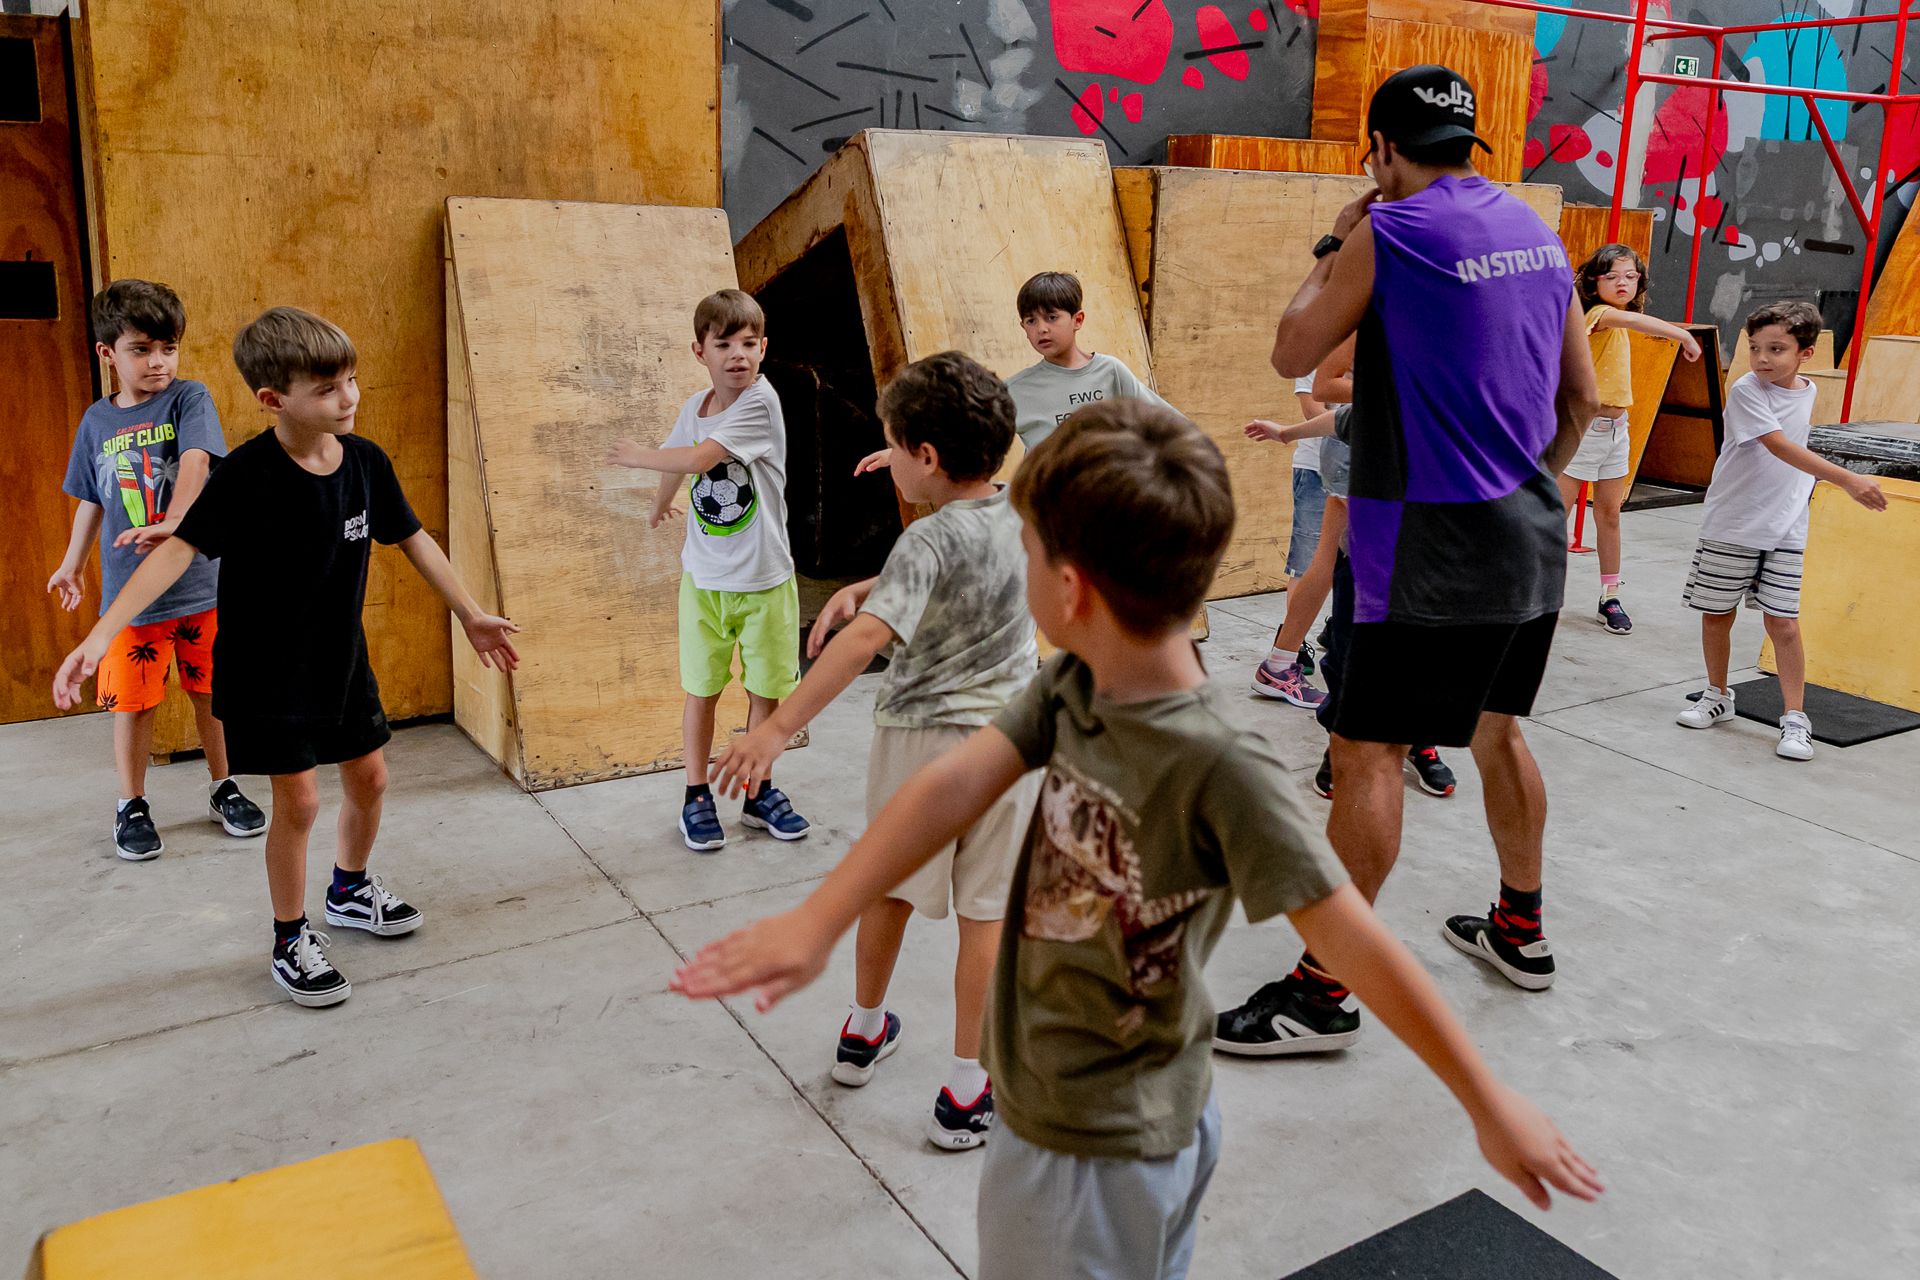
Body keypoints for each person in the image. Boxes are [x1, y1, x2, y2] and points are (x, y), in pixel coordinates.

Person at [670, 404, 1602, 1280]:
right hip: (1051, 1106)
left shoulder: (1214, 763)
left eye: (1026, 552)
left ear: (1070, 589)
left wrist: (1487, 1103)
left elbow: (1355, 935)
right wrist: (821, 917)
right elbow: (954, 781)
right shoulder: (1079, 684)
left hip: (1105, 1145)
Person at [1213, 64, 1601, 1057]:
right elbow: (1581, 405)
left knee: (1368, 751)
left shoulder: (1389, 232)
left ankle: (1322, 992)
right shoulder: (1538, 233)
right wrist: (1519, 483)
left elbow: (1292, 345)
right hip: (1530, 536)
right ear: (1469, 143)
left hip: (1418, 550)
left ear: (1381, 149)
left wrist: (1336, 235)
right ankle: (1521, 927)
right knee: (1497, 732)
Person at [53, 307, 522, 1007]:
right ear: (274, 400)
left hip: (341, 659)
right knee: (298, 801)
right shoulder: (246, 476)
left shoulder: (364, 462)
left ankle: (350, 888)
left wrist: (472, 612)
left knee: (371, 779)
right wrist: (99, 635)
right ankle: (288, 937)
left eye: (352, 381)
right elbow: (176, 552)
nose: (350, 397)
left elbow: (413, 537)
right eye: (329, 388)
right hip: (267, 671)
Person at [710, 352, 1039, 1151]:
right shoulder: (1029, 519)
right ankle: (967, 1088)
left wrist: (776, 727)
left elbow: (864, 640)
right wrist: (875, 577)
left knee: (886, 891)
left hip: (920, 747)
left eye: (892, 446)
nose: (884, 458)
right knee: (988, 918)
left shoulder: (924, 544)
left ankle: (862, 1029)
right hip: (1008, 747)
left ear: (926, 459)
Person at [47, 280, 264, 860]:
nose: (158, 362)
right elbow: (89, 498)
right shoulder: (95, 422)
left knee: (212, 694)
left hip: (203, 589)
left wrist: (176, 520)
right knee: (134, 704)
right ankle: (131, 802)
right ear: (107, 354)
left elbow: (196, 458)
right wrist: (71, 565)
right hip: (131, 599)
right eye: (141, 349)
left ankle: (224, 786)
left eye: (168, 347)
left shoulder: (189, 399)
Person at [607, 289, 809, 853]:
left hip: (765, 580)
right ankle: (696, 794)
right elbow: (681, 449)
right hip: (705, 581)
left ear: (764, 348)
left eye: (749, 343)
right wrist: (658, 501)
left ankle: (758, 789)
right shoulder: (695, 406)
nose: (738, 355)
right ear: (701, 351)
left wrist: (639, 456)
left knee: (766, 691)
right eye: (724, 344)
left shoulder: (760, 403)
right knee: (702, 689)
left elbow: (697, 460)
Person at [1243, 339, 1458, 800]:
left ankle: (1419, 741)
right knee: (1348, 651)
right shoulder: (1367, 392)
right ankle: (1339, 740)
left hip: (1418, 559)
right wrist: (1285, 433)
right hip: (1361, 554)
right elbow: (1339, 418)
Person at [1677, 300, 1885, 759]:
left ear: (1805, 353)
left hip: (1787, 525)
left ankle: (1795, 718)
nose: (1763, 358)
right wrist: (1847, 479)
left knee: (1784, 624)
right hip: (1732, 522)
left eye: (1776, 348)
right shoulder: (1747, 391)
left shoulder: (1807, 390)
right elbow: (1778, 447)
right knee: (1717, 613)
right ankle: (1717, 695)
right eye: (1754, 348)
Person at [1564, 244, 1702, 634]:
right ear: (1594, 282)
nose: (1623, 283)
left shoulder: (1621, 315)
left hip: (1615, 430)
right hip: (1581, 429)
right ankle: (1539, 595)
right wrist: (1683, 336)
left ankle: (1610, 596)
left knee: (1609, 515)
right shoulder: (1598, 314)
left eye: (1630, 276)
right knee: (1556, 516)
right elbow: (1634, 324)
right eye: (1612, 276)